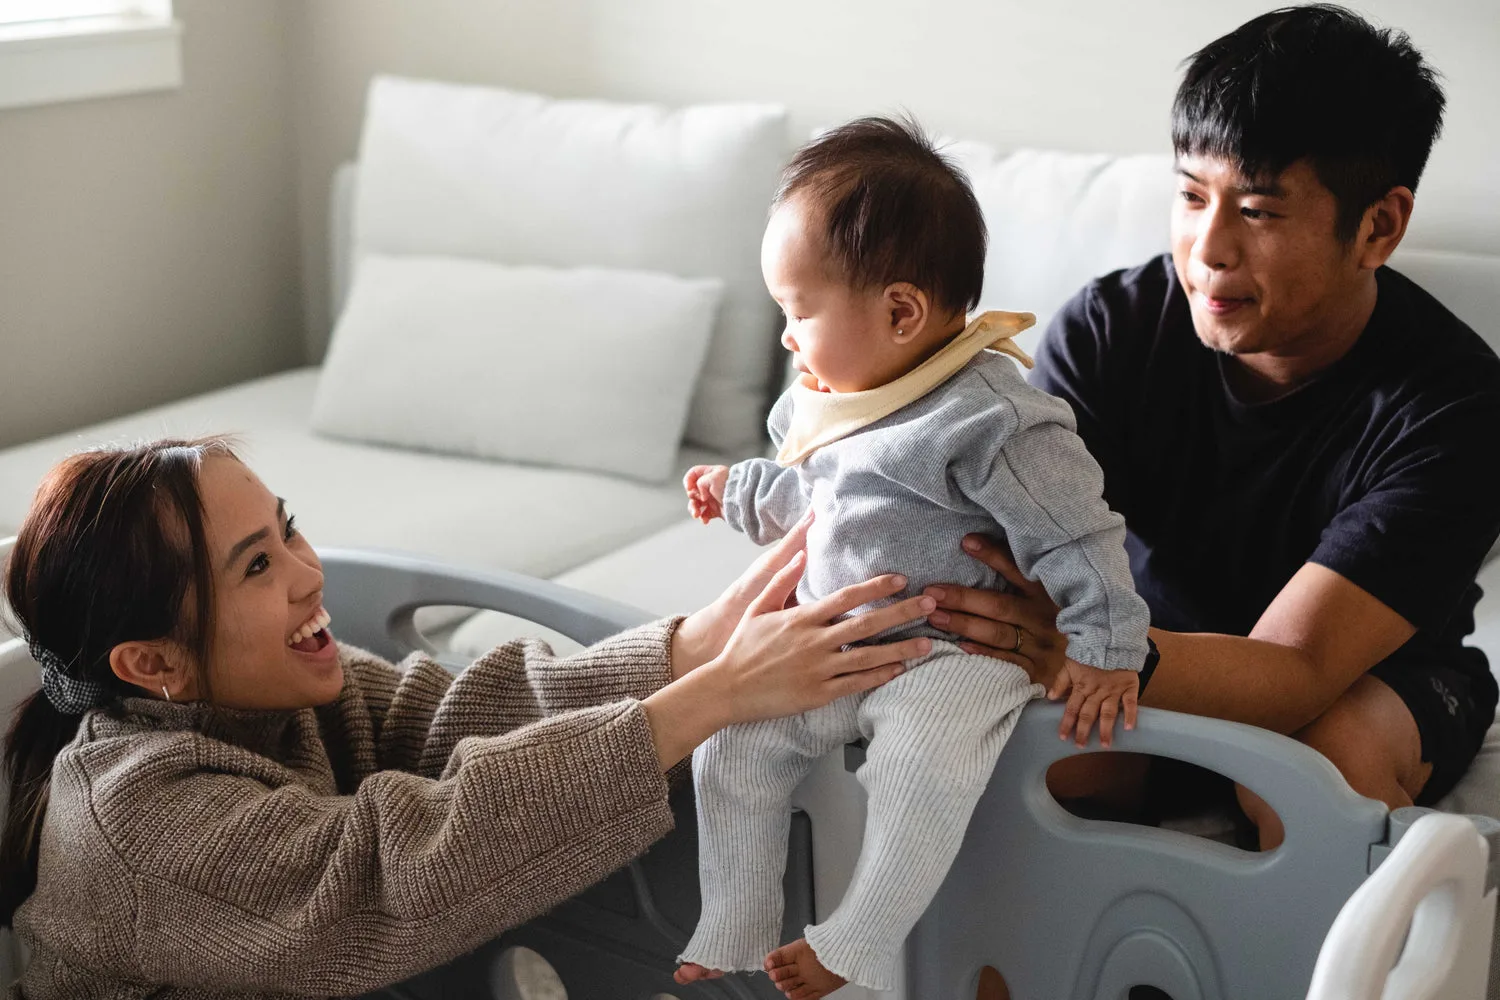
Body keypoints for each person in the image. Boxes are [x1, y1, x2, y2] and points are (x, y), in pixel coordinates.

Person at [0, 436, 945, 999]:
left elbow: (447, 713)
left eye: (287, 528)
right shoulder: (136, 820)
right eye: (256, 566)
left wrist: (692, 646)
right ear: (153, 665)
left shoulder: (275, 704)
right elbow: (387, 871)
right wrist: (712, 699)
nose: (307, 572)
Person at [926, 4, 1500, 850]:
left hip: (1368, 679)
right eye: (1193, 196)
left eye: (1260, 212)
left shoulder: (1459, 406)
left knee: (1311, 776)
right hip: (1141, 642)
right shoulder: (1109, 329)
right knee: (1028, 754)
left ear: (1378, 226)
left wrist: (1084, 647)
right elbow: (1024, 559)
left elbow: (1299, 672)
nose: (1208, 249)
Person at [676, 117, 1149, 999]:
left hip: (951, 657)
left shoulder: (992, 422)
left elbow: (1080, 534)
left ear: (900, 312)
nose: (786, 338)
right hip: (840, 644)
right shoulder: (829, 397)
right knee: (731, 745)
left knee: (920, 774)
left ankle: (853, 941)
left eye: (798, 311)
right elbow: (812, 500)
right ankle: (734, 922)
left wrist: (1108, 650)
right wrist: (734, 490)